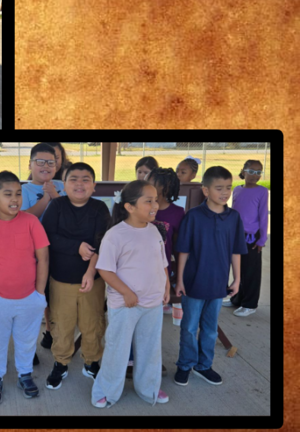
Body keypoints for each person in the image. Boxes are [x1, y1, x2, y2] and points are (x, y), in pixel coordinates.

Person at [90, 180, 171, 408]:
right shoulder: (116, 235)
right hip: (125, 304)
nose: (155, 205)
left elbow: (161, 262)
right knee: (118, 349)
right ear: (129, 206)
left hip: (152, 302)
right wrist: (126, 292)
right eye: (148, 201)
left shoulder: (154, 229)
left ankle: (149, 388)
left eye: (155, 199)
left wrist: (165, 287)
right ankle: (106, 390)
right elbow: (104, 268)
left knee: (150, 348)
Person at [0, 171, 50, 405]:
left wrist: (39, 294)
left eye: (18, 193)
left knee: (26, 340)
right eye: (8, 194)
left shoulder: (31, 222)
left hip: (29, 297)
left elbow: (43, 259)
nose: (14, 199)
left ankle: (24, 374)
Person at [174, 166, 247, 387]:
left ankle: (204, 365)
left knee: (210, 329)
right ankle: (185, 364)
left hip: (218, 285)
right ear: (206, 191)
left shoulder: (234, 217)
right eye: (219, 188)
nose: (225, 192)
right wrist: (179, 280)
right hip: (193, 283)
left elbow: (236, 250)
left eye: (228, 187)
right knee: (188, 327)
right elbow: (183, 250)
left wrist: (237, 278)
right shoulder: (193, 216)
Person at [40, 163, 111, 389]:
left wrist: (91, 272)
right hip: (61, 280)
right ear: (64, 185)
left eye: (85, 179)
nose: (79, 184)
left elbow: (102, 244)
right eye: (73, 179)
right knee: (62, 325)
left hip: (93, 281)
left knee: (93, 324)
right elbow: (48, 237)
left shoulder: (100, 208)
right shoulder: (57, 206)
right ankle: (61, 363)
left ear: (94, 186)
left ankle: (91, 362)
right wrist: (76, 246)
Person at [21, 143, 65, 362]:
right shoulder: (23, 190)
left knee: (53, 296)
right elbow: (25, 218)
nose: (46, 166)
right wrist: (47, 198)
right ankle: (29, 350)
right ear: (30, 164)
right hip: (33, 256)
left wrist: (55, 193)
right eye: (40, 162)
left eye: (51, 162)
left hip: (60, 253)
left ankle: (52, 334)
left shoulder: (63, 186)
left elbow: (69, 214)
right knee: (34, 300)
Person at [224, 160, 267, 316]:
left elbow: (263, 216)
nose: (255, 175)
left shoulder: (262, 191)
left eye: (258, 172)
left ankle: (250, 304)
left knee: (251, 271)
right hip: (237, 235)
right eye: (251, 171)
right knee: (238, 269)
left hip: (252, 238)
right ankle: (237, 299)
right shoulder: (237, 189)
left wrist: (261, 239)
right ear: (243, 171)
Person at [149, 167, 185, 315]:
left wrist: (178, 276)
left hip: (161, 273)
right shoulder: (140, 208)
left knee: (152, 315)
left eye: (151, 184)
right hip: (135, 269)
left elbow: (178, 247)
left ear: (165, 188)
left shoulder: (177, 213)